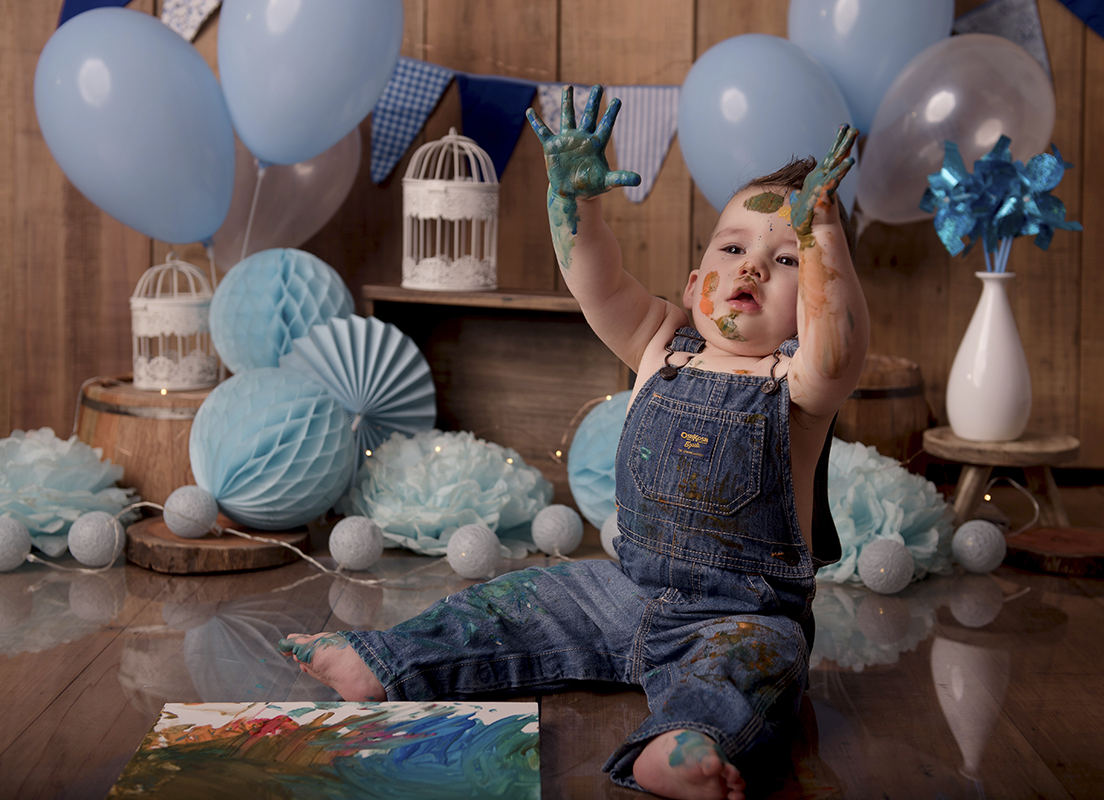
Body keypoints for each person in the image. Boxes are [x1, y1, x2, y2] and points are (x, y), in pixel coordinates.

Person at [279, 86, 867, 800]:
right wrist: (576, 204)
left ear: (812, 302)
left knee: (757, 668)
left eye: (786, 261)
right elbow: (598, 282)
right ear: (692, 282)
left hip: (741, 615)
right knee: (517, 599)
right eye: (736, 247)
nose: (751, 267)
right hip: (624, 590)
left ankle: (686, 744)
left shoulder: (799, 384)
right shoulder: (659, 342)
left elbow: (839, 348)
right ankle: (388, 662)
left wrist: (825, 236)